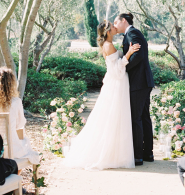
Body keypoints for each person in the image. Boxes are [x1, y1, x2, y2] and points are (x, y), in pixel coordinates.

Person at [63, 20, 140, 170]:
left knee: (115, 117)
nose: (115, 26)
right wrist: (129, 54)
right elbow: (116, 71)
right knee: (113, 117)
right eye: (112, 25)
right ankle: (111, 154)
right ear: (108, 31)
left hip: (117, 83)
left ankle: (116, 153)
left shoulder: (108, 44)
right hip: (117, 84)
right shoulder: (109, 46)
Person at [114, 12, 155, 166]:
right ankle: (147, 153)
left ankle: (138, 155)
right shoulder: (132, 33)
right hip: (144, 82)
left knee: (136, 118)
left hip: (138, 82)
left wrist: (124, 68)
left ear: (123, 21)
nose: (115, 26)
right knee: (143, 117)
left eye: (116, 22)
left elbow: (138, 56)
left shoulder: (132, 33)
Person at [0, 67, 39, 165]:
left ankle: (9, 176)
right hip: (11, 149)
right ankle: (14, 176)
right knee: (27, 146)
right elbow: (20, 125)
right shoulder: (16, 102)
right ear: (11, 85)